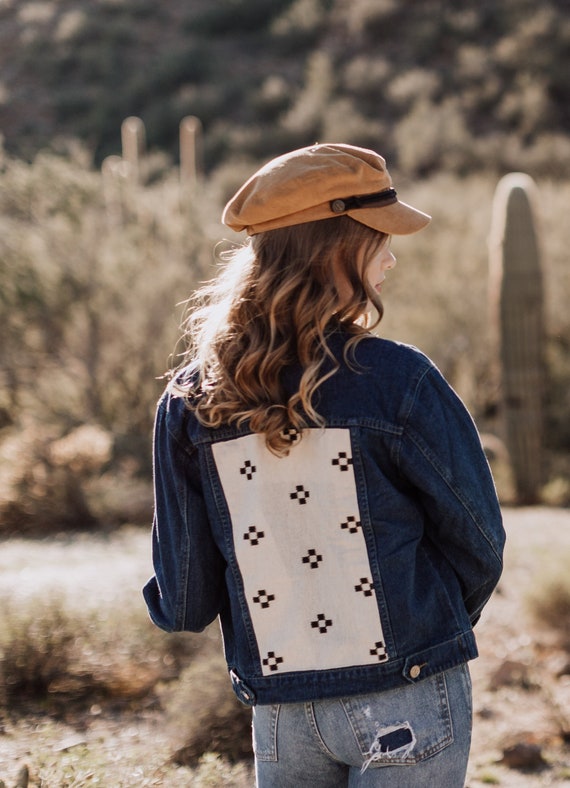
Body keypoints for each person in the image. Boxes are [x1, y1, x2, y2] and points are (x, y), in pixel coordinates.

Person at [143, 143, 505, 787]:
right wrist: (425, 627)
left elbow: (186, 598)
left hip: (282, 710)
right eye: (379, 238)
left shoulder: (188, 404)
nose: (390, 257)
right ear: (336, 248)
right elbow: (480, 542)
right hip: (410, 692)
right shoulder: (399, 380)